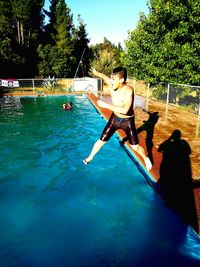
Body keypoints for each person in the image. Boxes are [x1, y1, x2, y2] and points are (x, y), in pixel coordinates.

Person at [83, 67, 152, 171]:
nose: (110, 81)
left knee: (135, 147)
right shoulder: (112, 85)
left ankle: (146, 158)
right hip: (114, 119)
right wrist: (97, 72)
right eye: (111, 78)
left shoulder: (128, 90)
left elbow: (125, 110)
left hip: (127, 121)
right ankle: (91, 156)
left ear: (121, 80)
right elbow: (105, 77)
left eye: (113, 79)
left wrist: (106, 105)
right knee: (102, 140)